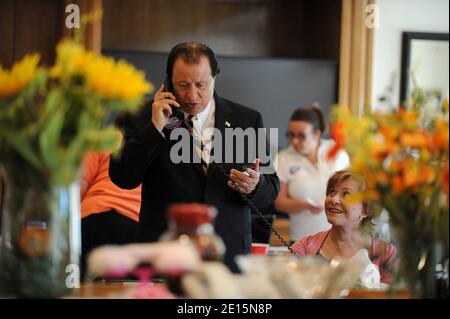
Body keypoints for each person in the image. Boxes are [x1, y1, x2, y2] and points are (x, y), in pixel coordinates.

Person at [109, 42, 280, 273]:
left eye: (201, 85)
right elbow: (122, 177)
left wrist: (254, 186)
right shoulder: (142, 116)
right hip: (165, 252)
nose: (192, 95)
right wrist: (154, 129)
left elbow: (272, 188)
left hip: (228, 254)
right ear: (168, 81)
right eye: (183, 85)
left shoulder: (247, 119)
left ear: (215, 79)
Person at [291, 170, 397, 284]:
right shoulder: (304, 248)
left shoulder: (386, 253)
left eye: (346, 194)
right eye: (331, 192)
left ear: (365, 209)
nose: (333, 199)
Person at [275, 105, 350, 243]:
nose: (294, 141)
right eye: (291, 135)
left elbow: (353, 194)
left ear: (317, 133)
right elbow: (279, 202)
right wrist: (306, 205)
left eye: (301, 135)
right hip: (302, 243)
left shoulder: (336, 152)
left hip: (340, 241)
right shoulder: (284, 158)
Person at [81, 151, 141, 277]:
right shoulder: (155, 144)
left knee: (78, 280)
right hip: (134, 221)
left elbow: (80, 182)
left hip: (94, 215)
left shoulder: (104, 139)